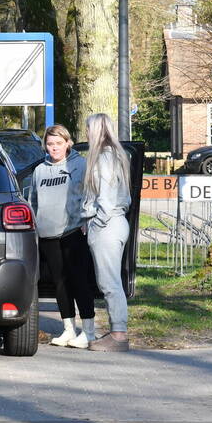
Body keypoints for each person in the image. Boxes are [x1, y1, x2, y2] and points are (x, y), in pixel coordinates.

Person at [28, 124, 97, 348]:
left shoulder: (80, 165)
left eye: (58, 143)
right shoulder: (40, 170)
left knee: (79, 282)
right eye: (50, 144)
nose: (54, 148)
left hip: (72, 231)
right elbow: (33, 201)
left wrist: (86, 220)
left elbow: (90, 194)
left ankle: (88, 331)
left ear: (68, 143)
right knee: (60, 284)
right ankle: (68, 328)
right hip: (48, 235)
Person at [81, 113, 132, 352]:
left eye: (88, 129)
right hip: (114, 223)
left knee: (109, 282)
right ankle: (116, 331)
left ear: (98, 130)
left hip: (107, 225)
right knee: (110, 281)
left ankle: (119, 334)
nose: (86, 134)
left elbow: (107, 198)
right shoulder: (117, 156)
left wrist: (95, 222)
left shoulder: (104, 158)